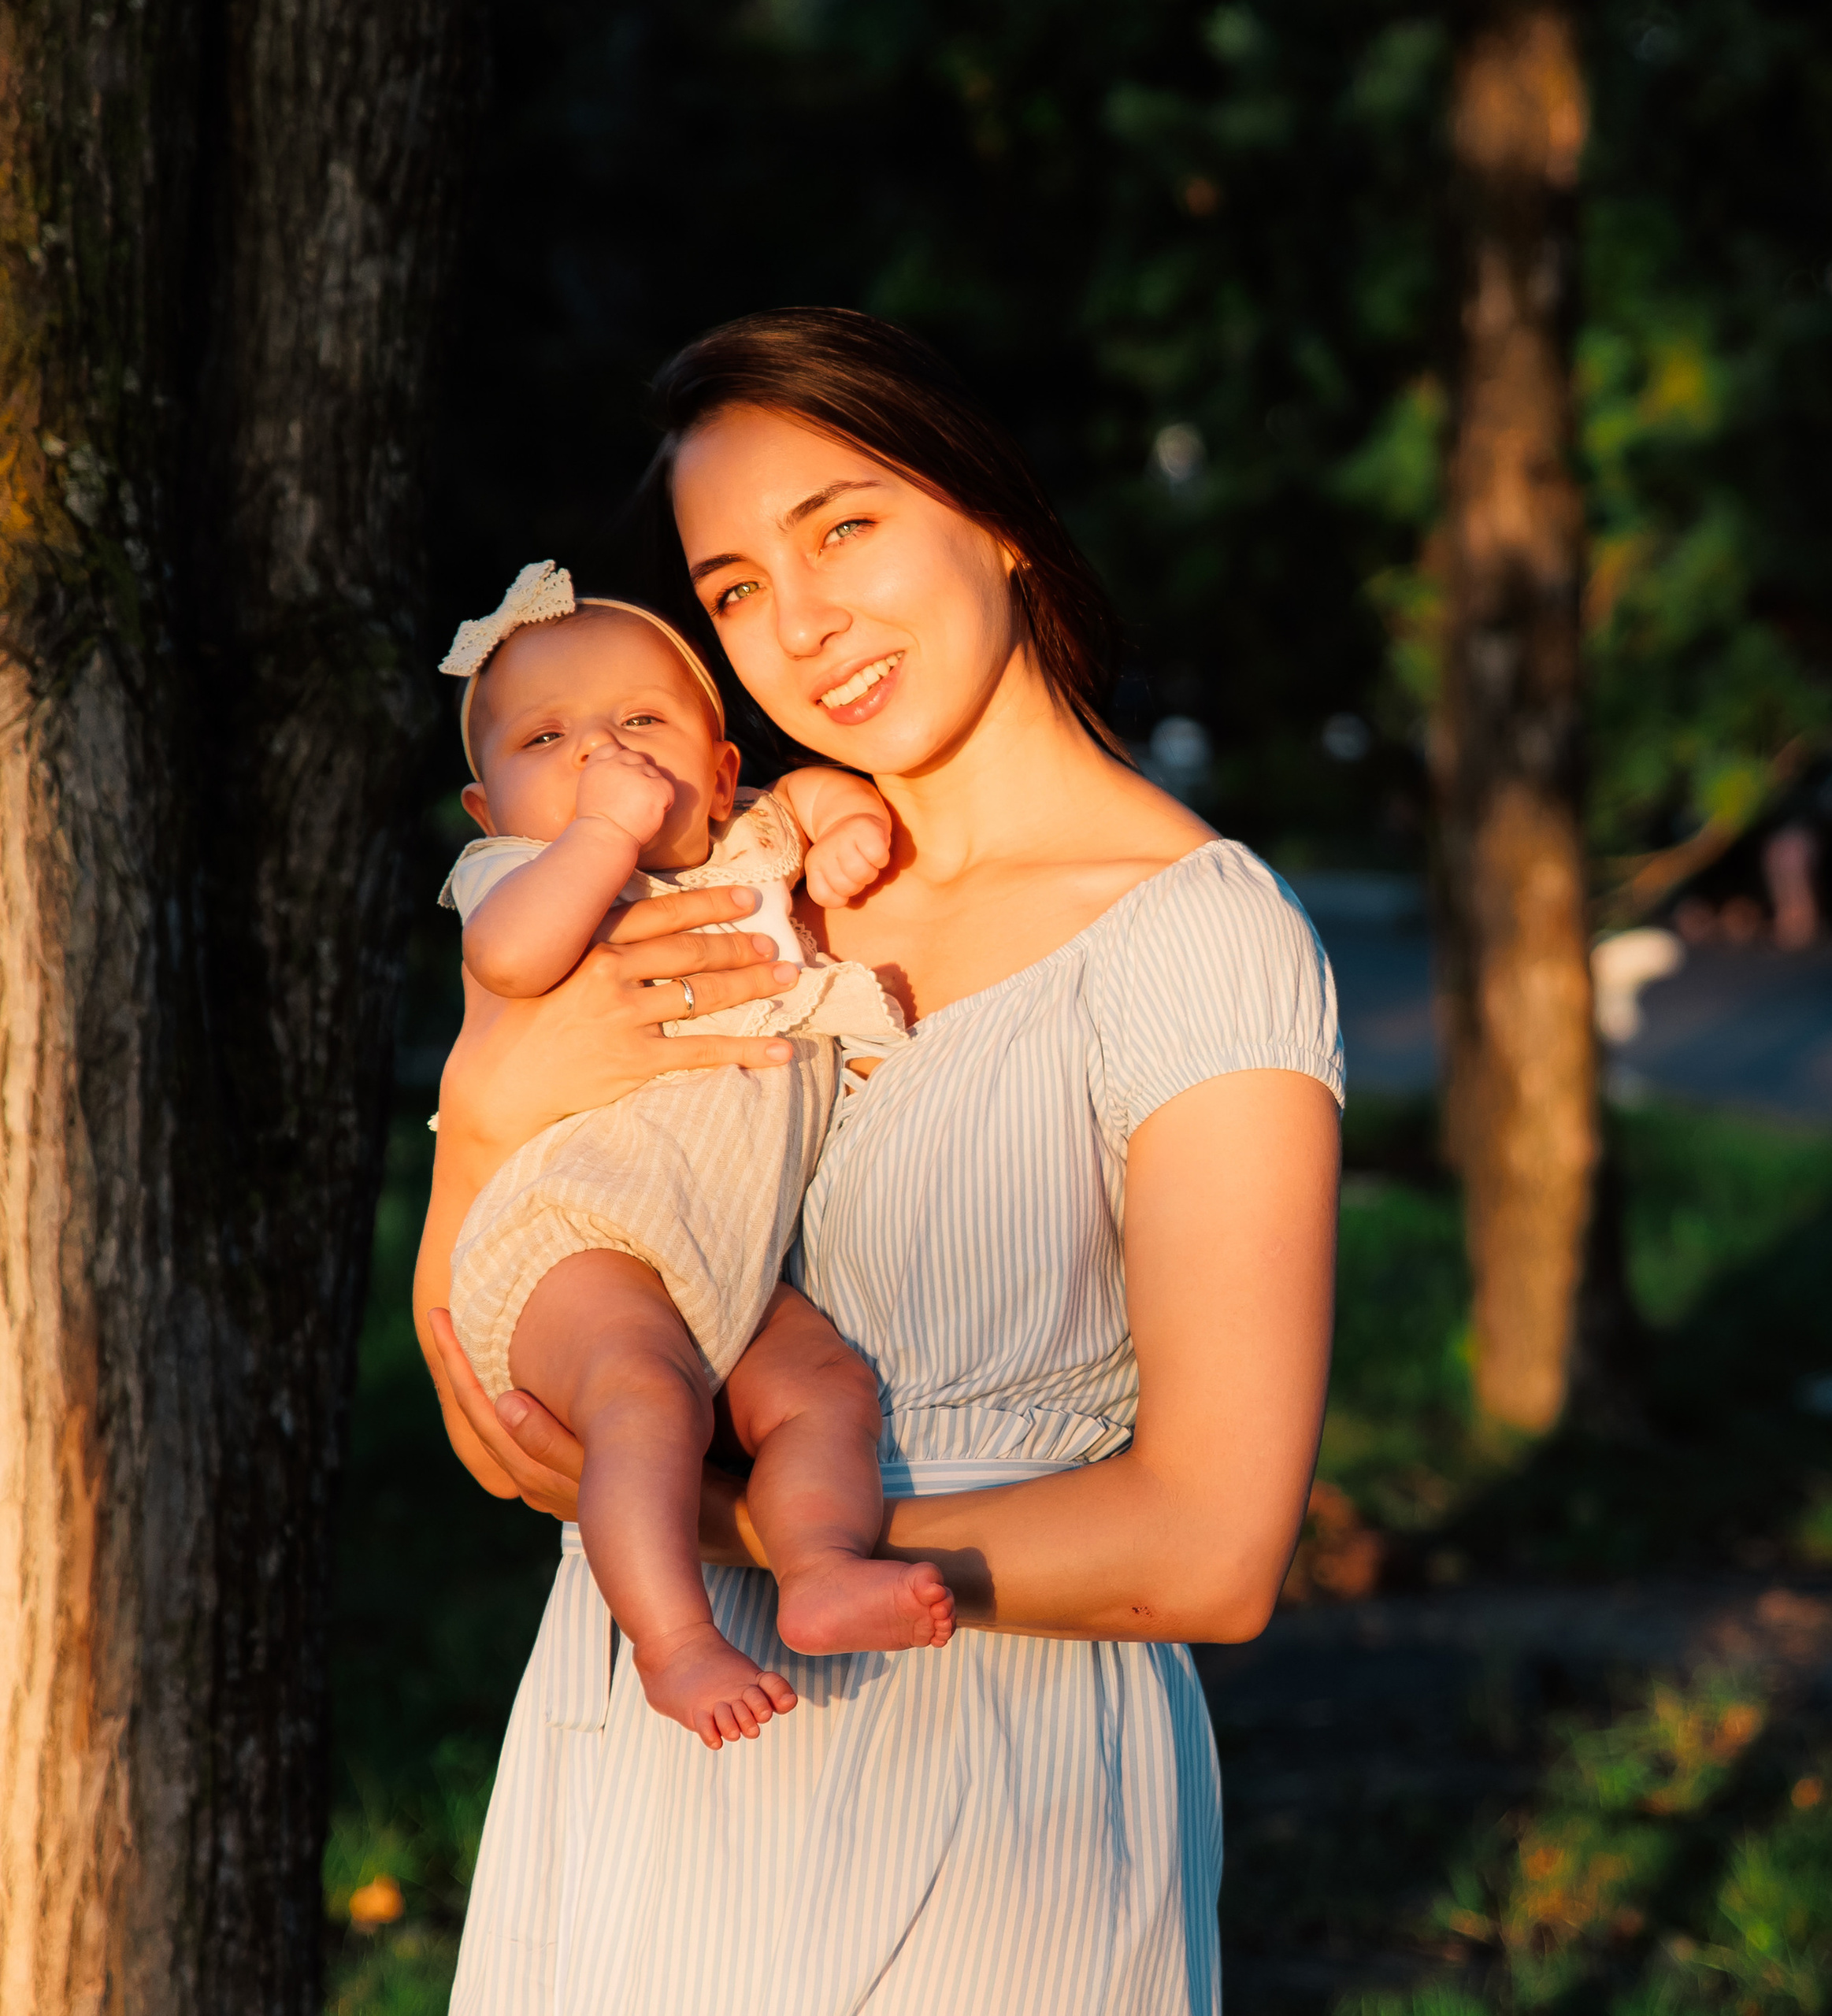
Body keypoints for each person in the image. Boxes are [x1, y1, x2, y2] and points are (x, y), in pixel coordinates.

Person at [413, 306, 1344, 2014]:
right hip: (643, 1762)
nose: (802, 619)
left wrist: (723, 1522)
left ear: (989, 513)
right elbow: (499, 1316)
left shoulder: (1195, 938)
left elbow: (1213, 1545)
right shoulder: (742, 883)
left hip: (982, 1784)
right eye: (737, 585)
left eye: (842, 525)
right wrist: (470, 1187)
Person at [436, 558, 951, 1750]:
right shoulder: (518, 876)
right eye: (547, 737)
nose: (598, 756)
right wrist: (603, 839)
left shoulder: (746, 844)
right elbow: (513, 961)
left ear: (721, 778)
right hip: (575, 1240)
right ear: (485, 806)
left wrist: (841, 820)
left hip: (723, 1251)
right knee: (643, 1394)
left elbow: (807, 802)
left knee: (825, 1390)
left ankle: (818, 1568)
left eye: (642, 725)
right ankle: (670, 1640)